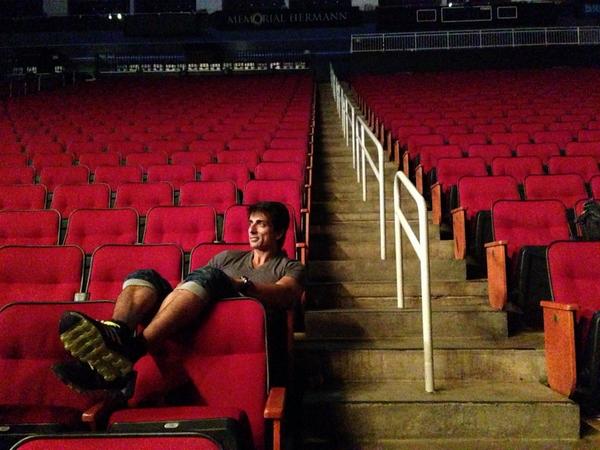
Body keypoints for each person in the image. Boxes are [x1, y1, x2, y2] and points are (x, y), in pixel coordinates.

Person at [53, 201, 305, 395]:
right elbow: (189, 288)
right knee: (145, 276)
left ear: (280, 230)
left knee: (212, 276)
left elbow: (286, 294)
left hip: (236, 329)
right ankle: (118, 333)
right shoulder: (227, 257)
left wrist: (241, 285)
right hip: (197, 320)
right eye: (250, 222)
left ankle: (128, 353)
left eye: (260, 224)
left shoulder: (288, 266)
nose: (251, 229)